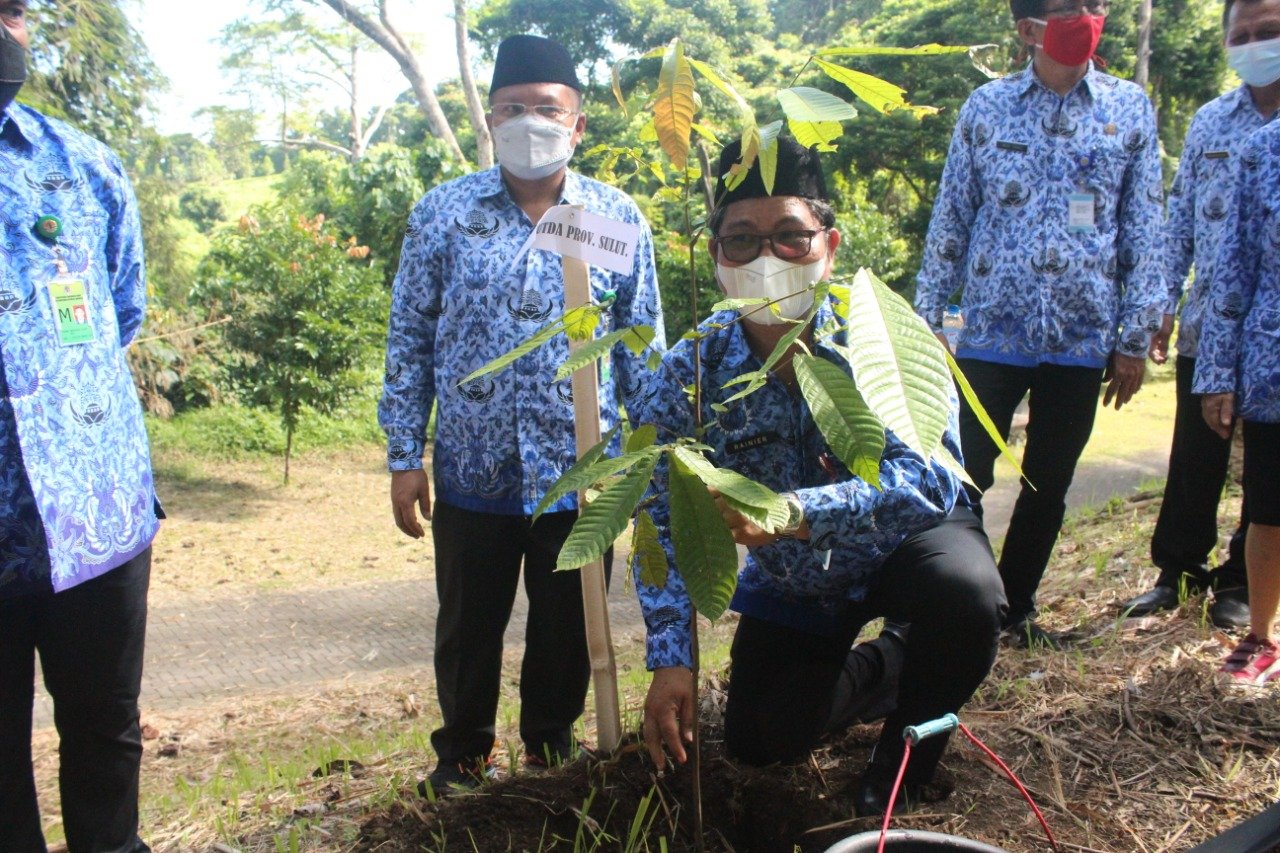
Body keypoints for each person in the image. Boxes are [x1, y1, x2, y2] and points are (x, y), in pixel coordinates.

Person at [636, 137, 1006, 817]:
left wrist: (797, 511)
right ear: (716, 253)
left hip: (905, 541)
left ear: (830, 243)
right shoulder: (691, 370)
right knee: (760, 740)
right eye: (742, 239)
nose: (767, 258)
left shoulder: (883, 341)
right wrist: (671, 655)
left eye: (790, 237)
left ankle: (904, 767)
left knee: (967, 596)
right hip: (801, 578)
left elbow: (927, 478)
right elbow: (661, 509)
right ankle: (891, 663)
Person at [379, 33, 665, 793]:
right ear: (491, 121)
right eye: (513, 109)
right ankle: (463, 758)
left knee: (569, 627)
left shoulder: (614, 217)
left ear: (578, 123)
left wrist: (653, 454)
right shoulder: (442, 214)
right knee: (469, 628)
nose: (529, 122)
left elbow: (644, 344)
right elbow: (409, 334)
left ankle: (549, 752)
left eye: (547, 109)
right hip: (473, 470)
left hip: (582, 473)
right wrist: (404, 454)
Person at [914, 0, 1166, 648]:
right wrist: (929, 322)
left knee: (1048, 482)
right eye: (1067, 7)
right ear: (1028, 29)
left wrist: (1134, 336)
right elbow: (951, 220)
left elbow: (1143, 228)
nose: (1086, 15)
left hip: (1081, 340)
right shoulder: (986, 108)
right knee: (961, 474)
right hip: (991, 331)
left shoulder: (1129, 109)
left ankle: (1012, 609)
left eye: (1096, 4)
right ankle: (949, 608)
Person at [0, 6, 162, 852]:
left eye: (10, 12)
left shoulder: (82, 165)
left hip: (92, 512)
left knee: (106, 730)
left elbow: (120, 311)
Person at [1118, 0, 1280, 630]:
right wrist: (1161, 304)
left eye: (1268, 32)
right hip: (1209, 322)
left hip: (1270, 331)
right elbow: (1179, 220)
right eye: (1242, 34)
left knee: (1260, 466)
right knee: (1195, 457)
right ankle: (1178, 571)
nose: (1255, 43)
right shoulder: (1214, 121)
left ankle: (1240, 584)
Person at [1194, 114, 1280, 685]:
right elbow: (1234, 269)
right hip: (1273, 360)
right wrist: (1218, 370)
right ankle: (1263, 636)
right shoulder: (1262, 151)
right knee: (1269, 509)